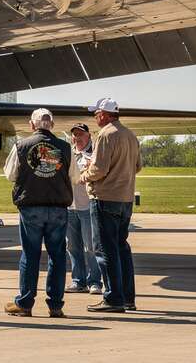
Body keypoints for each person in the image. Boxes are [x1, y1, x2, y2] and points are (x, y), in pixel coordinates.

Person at [2, 108, 73, 318]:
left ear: (32, 125)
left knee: (30, 255)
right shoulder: (65, 147)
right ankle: (56, 305)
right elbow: (75, 177)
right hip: (58, 208)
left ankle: (24, 304)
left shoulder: (21, 145)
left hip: (31, 207)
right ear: (51, 124)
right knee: (57, 257)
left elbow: (10, 174)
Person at [81, 97, 141, 313]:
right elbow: (138, 166)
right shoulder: (130, 135)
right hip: (125, 199)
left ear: (104, 115)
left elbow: (99, 170)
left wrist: (83, 175)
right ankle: (127, 297)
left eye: (96, 114)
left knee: (105, 250)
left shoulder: (106, 134)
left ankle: (113, 298)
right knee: (122, 248)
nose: (95, 117)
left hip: (105, 198)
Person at [66, 122, 102, 295]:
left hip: (87, 206)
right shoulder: (68, 153)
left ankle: (95, 282)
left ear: (88, 136)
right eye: (74, 134)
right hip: (69, 206)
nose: (77, 137)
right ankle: (78, 281)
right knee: (73, 246)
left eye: (80, 134)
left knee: (91, 247)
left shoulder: (94, 153)